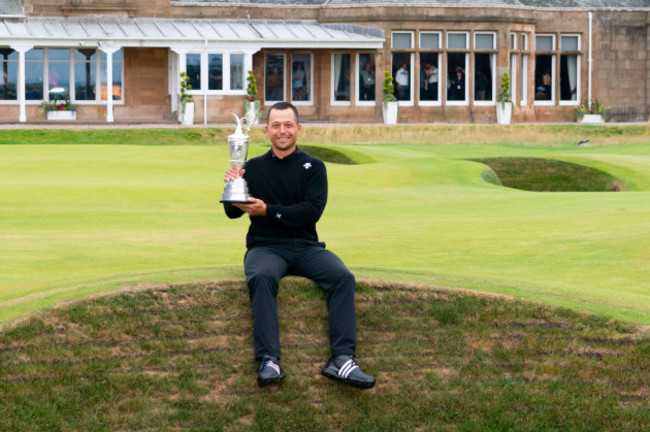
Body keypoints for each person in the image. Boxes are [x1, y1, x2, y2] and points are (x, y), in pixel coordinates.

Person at [223, 102, 376, 390]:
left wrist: (268, 210)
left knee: (342, 277)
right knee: (262, 277)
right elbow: (233, 213)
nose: (283, 131)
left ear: (299, 129)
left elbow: (311, 212)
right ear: (267, 130)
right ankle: (268, 360)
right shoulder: (252, 167)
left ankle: (342, 360)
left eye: (288, 125)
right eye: (277, 125)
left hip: (306, 246)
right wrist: (233, 187)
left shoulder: (314, 167)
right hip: (265, 246)